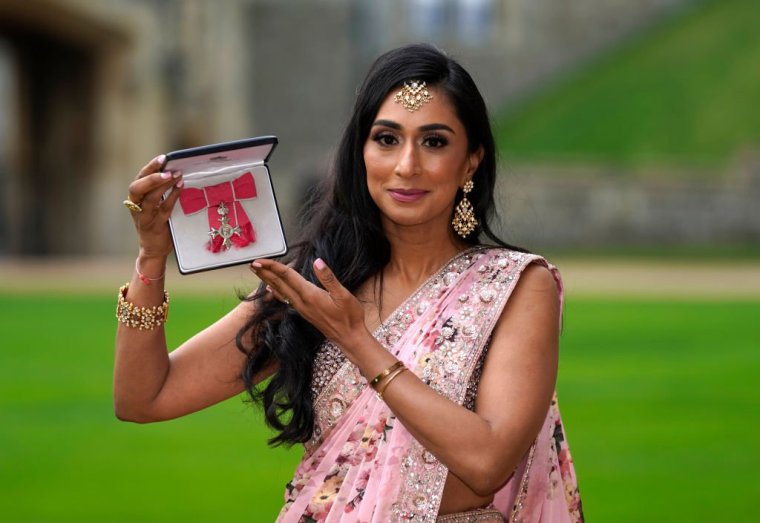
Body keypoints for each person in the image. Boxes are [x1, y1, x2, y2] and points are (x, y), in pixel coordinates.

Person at [114, 43, 583, 523]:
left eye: (434, 142)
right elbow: (143, 398)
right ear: (361, 153)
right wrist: (151, 257)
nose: (407, 166)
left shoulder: (516, 286)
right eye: (387, 139)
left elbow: (487, 462)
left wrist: (356, 340)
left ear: (471, 162)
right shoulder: (318, 283)